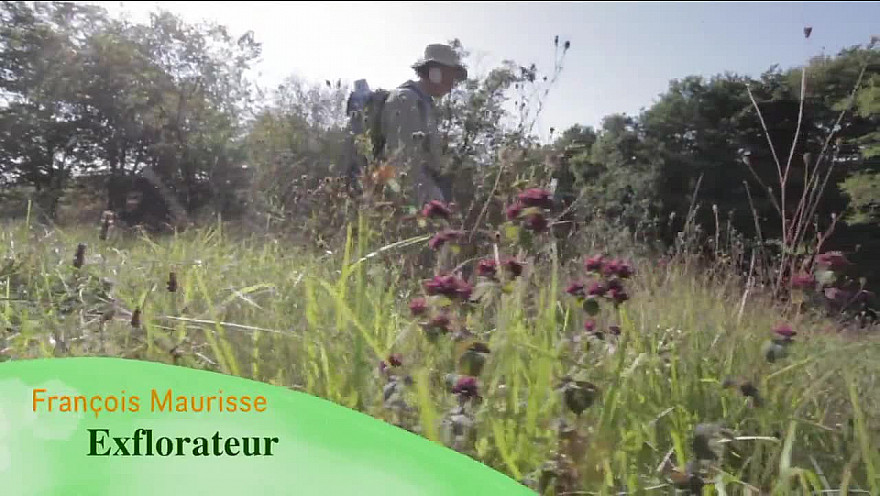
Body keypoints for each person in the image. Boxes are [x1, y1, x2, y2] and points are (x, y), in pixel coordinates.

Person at [380, 43, 468, 207]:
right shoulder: (407, 100)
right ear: (434, 72)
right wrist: (431, 203)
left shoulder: (423, 103)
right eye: (450, 77)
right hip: (411, 195)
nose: (452, 85)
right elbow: (405, 160)